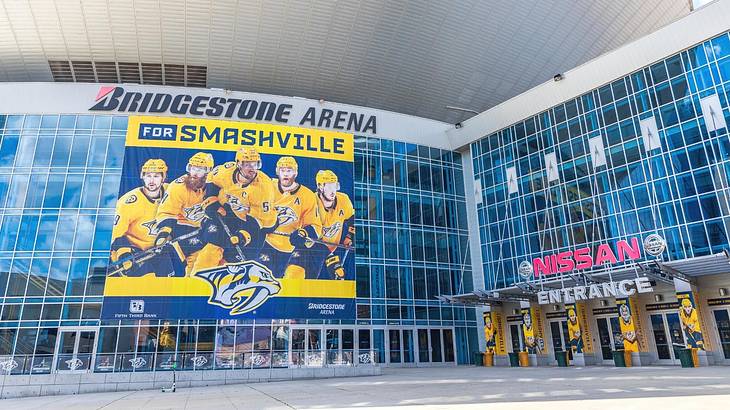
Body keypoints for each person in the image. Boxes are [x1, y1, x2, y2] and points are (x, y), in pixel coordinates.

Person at [193, 147, 278, 270]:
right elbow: (212, 179)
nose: (252, 168)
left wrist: (243, 236)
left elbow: (259, 220)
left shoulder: (264, 187)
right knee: (211, 250)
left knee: (232, 266)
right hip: (231, 213)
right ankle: (197, 279)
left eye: (255, 164)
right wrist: (211, 201)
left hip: (260, 224)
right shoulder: (226, 171)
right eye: (247, 164)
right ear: (238, 163)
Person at [259, 156, 322, 279]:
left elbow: (315, 226)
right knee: (263, 280)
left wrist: (303, 233)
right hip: (267, 244)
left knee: (294, 277)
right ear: (277, 171)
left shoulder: (307, 195)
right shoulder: (267, 186)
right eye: (283, 170)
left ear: (296, 173)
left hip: (292, 247)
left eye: (289, 170)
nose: (286, 174)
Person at [110, 159, 174, 276]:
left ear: (163, 178)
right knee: (147, 283)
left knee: (168, 284)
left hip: (160, 249)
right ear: (142, 176)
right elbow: (115, 235)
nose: (152, 180)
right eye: (148, 176)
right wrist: (124, 255)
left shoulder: (172, 192)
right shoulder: (127, 203)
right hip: (135, 252)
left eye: (156, 176)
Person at [155, 152, 214, 276]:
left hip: (207, 229)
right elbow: (167, 212)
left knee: (204, 266)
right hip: (182, 228)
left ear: (208, 172)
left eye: (200, 169)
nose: (194, 173)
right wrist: (164, 233)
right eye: (192, 168)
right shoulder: (178, 187)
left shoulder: (215, 185)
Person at [310, 169, 355, 279]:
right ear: (320, 186)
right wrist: (332, 261)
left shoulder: (343, 199)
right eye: (329, 186)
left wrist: (349, 236)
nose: (333, 191)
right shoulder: (311, 201)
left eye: (334, 186)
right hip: (311, 249)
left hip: (332, 248)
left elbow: (352, 219)